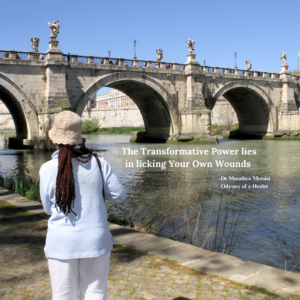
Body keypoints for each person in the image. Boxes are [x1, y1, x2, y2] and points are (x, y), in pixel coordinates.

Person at [39, 111, 126, 300]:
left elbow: (47, 209)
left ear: (55, 138)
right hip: (96, 240)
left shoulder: (47, 169)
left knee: (63, 295)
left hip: (61, 243)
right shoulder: (98, 162)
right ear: (79, 137)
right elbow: (119, 195)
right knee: (95, 293)